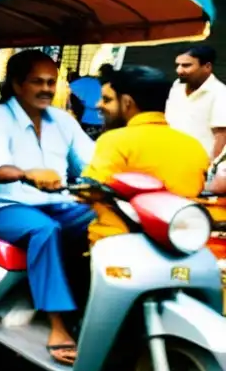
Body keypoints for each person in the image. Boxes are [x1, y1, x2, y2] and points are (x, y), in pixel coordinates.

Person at [0, 50, 96, 366]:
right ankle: (56, 324)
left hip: (57, 203)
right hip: (3, 206)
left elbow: (92, 161)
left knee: (104, 219)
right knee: (45, 230)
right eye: (37, 81)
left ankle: (91, 309)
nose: (46, 89)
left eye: (51, 82)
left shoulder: (63, 122)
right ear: (17, 84)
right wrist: (27, 174)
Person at [83, 66, 209, 244]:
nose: (98, 105)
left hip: (116, 243)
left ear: (127, 102)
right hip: (180, 241)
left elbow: (91, 190)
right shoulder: (194, 146)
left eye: (107, 99)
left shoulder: (114, 141)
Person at [165, 45, 226, 159]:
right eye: (177, 65)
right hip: (171, 159)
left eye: (186, 65)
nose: (179, 70)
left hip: (201, 166)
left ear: (207, 67)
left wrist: (212, 168)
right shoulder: (177, 87)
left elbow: (221, 136)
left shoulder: (220, 93)